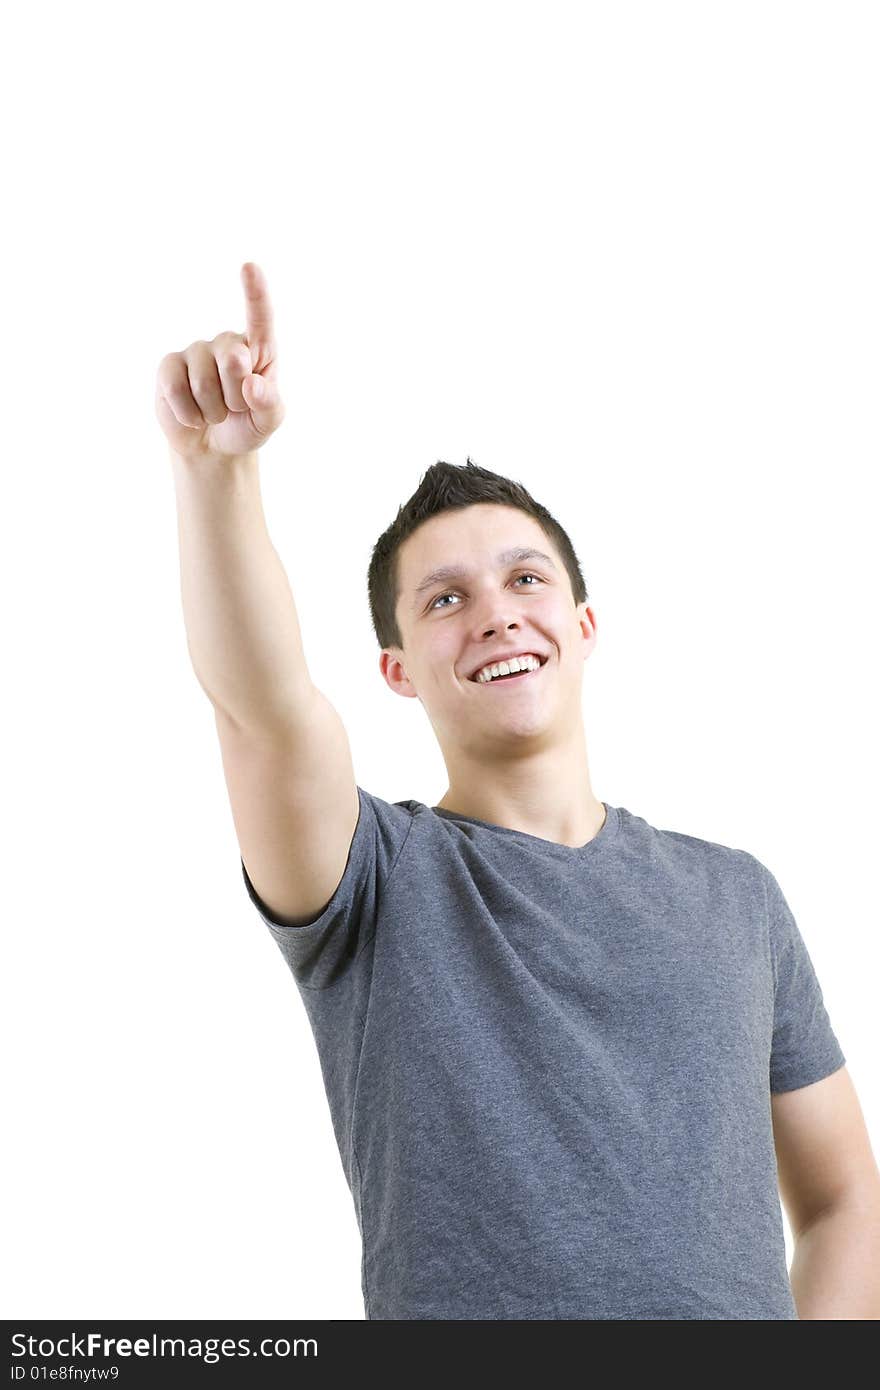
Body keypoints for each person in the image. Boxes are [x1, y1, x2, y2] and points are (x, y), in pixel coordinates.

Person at [156, 262, 879, 1321]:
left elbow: (842, 1194)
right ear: (398, 666)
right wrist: (214, 474)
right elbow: (262, 712)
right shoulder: (373, 884)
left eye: (525, 578)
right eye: (445, 598)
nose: (495, 613)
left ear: (582, 626)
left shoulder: (738, 896)